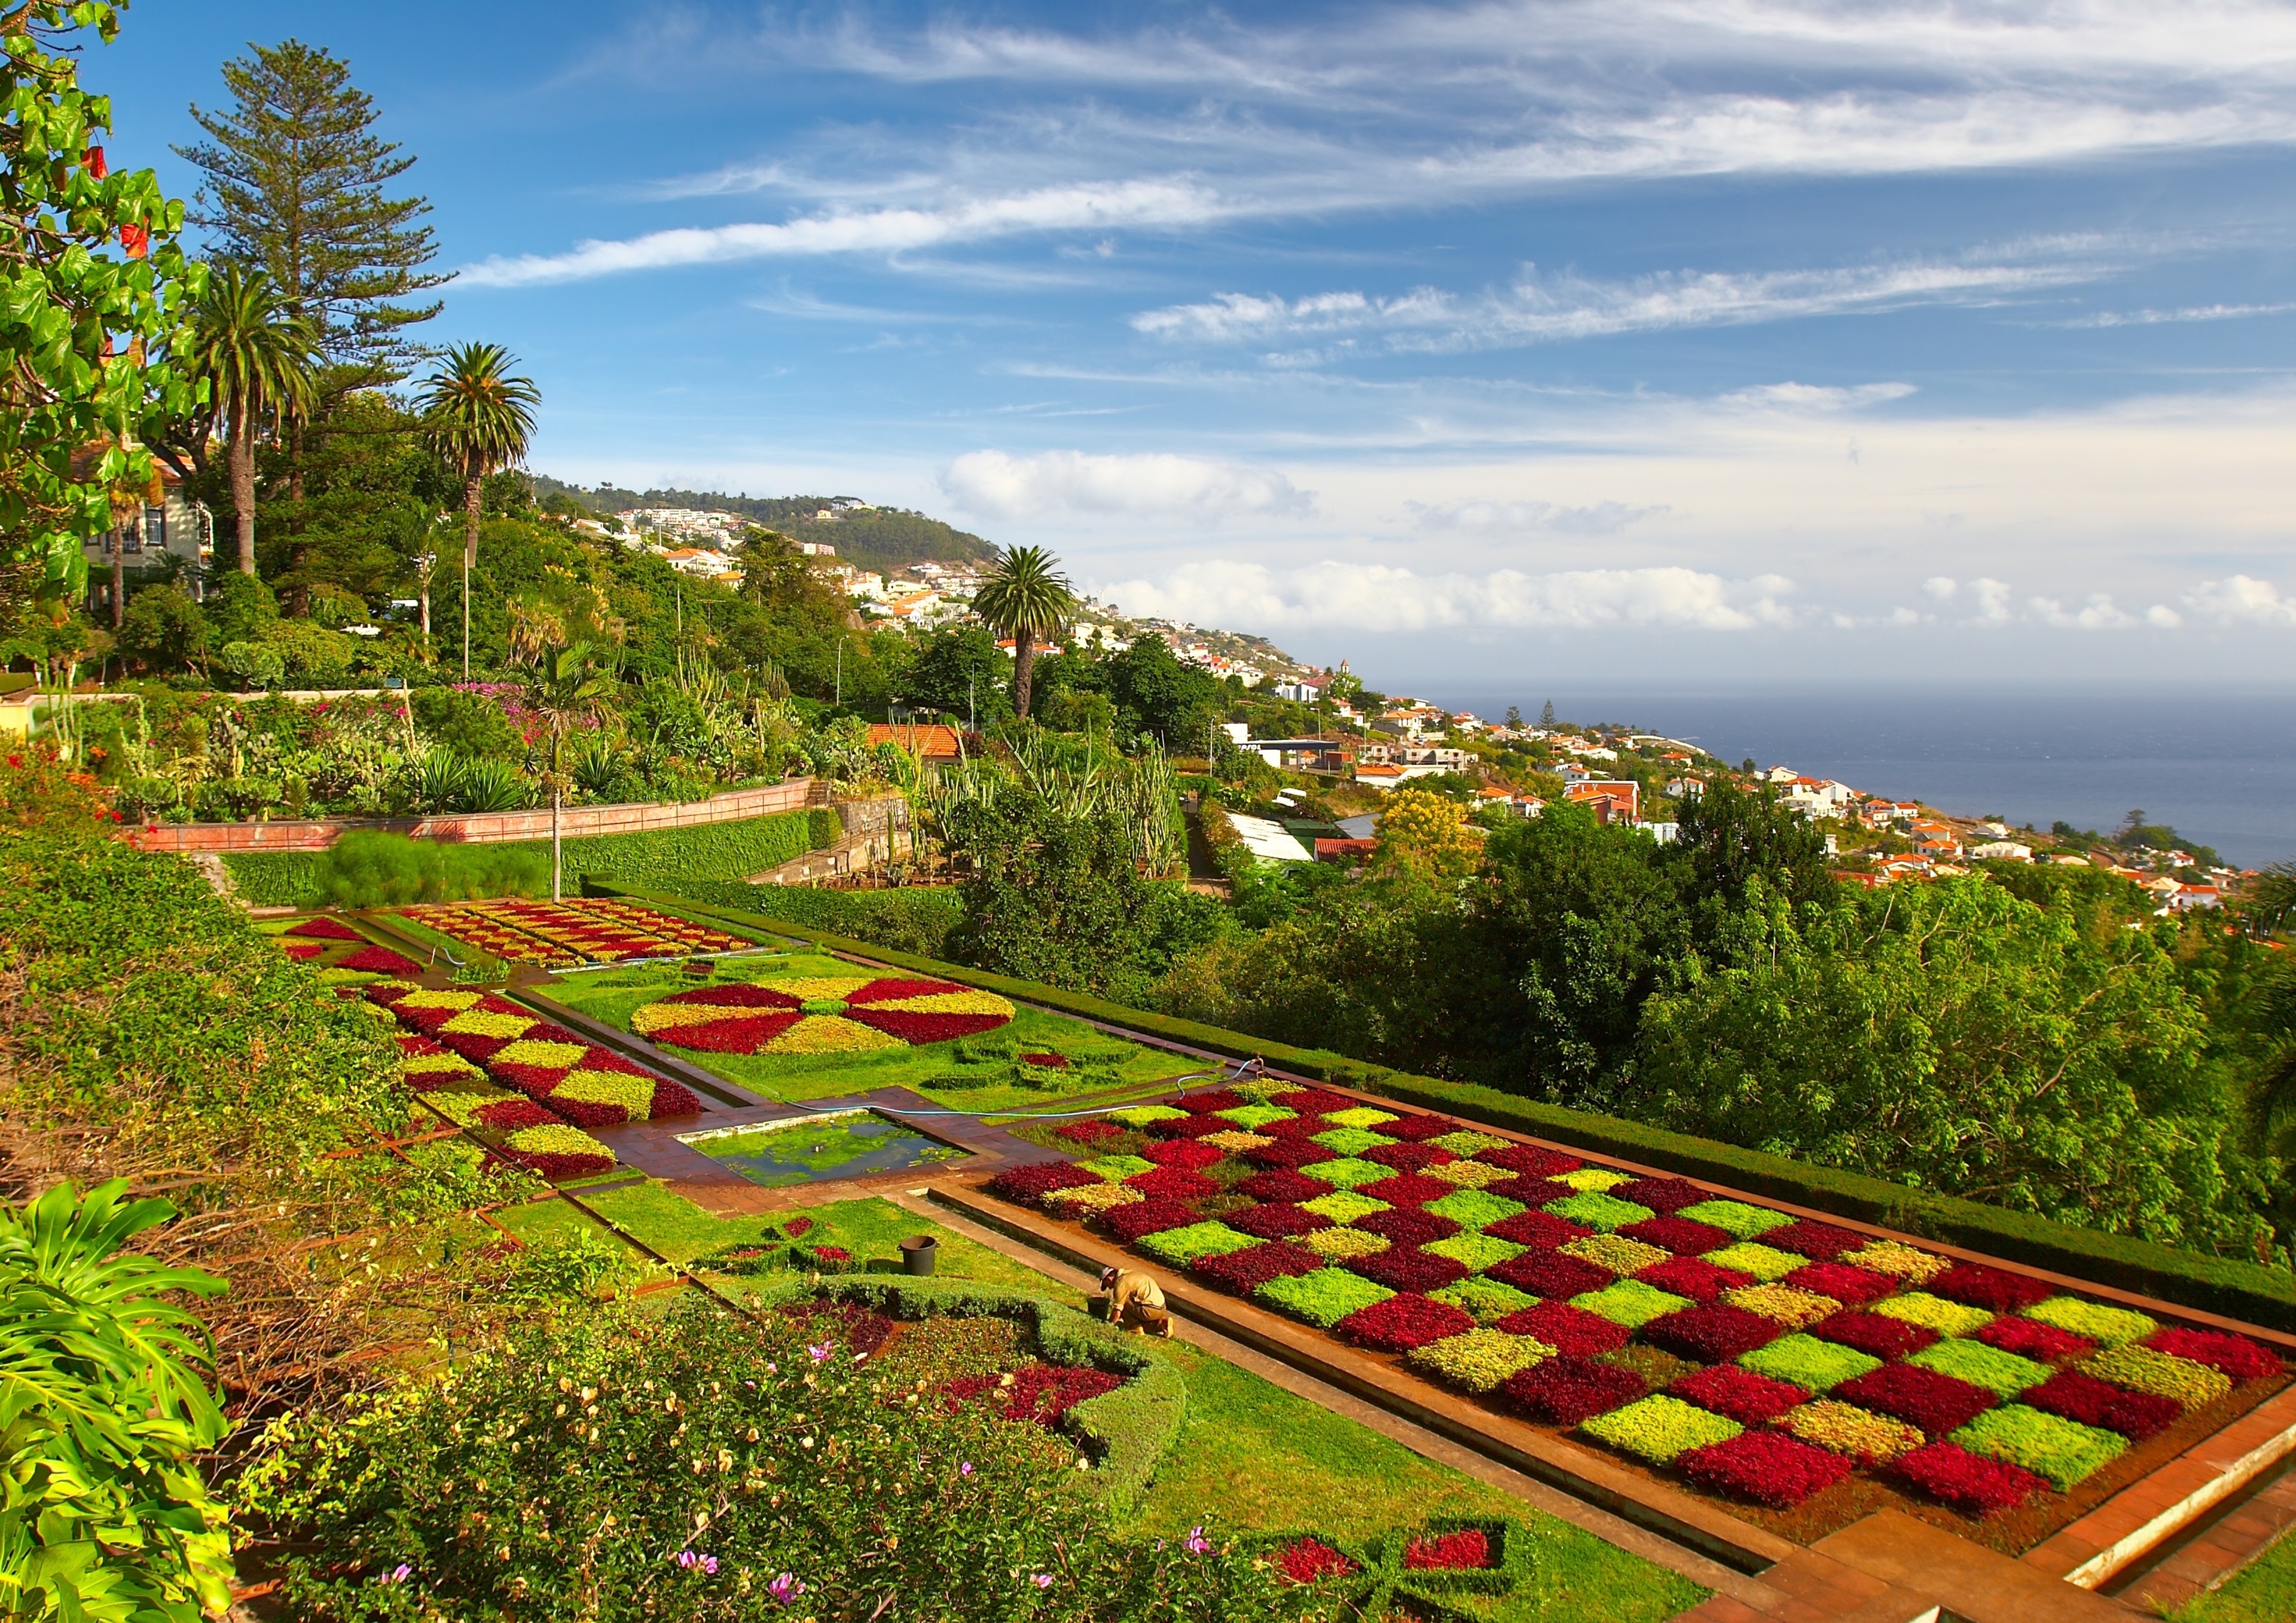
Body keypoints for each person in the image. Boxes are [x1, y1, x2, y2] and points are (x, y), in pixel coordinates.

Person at [1099, 1265, 1172, 1337]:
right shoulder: (1130, 1273)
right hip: (1161, 1307)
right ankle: (1162, 1324)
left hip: (1149, 1309)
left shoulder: (1120, 1284)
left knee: (1123, 1302)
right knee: (1139, 1321)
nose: (1110, 1288)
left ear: (1109, 1280)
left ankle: (1135, 1328)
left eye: (1108, 1286)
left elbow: (1117, 1312)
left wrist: (1109, 1325)